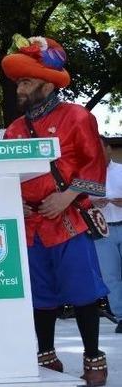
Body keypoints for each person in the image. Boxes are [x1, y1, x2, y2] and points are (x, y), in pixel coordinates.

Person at [2, 35, 109, 386]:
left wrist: (66, 197)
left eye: (27, 81)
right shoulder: (14, 130)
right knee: (40, 294)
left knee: (83, 292)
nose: (20, 87)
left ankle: (93, 355)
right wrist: (10, 199)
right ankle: (45, 353)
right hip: (31, 224)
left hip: (68, 220)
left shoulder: (77, 116)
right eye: (18, 81)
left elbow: (95, 167)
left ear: (47, 84)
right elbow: (8, 175)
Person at [94, 136, 122, 334]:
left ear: (109, 149)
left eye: (100, 148)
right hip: (102, 231)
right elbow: (79, 202)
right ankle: (121, 317)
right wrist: (94, 202)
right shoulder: (87, 175)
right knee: (110, 276)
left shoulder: (121, 171)